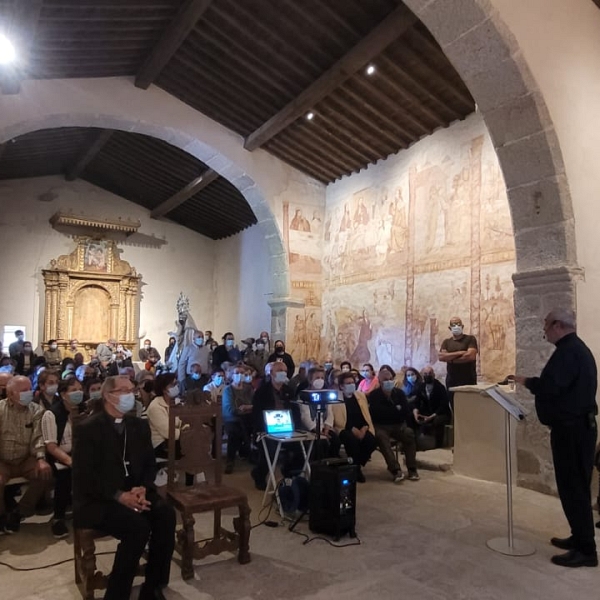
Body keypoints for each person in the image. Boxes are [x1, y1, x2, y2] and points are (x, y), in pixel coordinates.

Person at [72, 375, 176, 600]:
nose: (132, 394)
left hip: (136, 491)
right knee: (137, 527)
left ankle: (153, 586)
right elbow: (84, 476)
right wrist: (119, 496)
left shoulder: (138, 425)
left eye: (132, 389)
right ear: (109, 396)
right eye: (124, 390)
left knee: (166, 515)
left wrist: (142, 487)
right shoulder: (88, 428)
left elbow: (150, 463)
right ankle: (117, 594)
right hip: (100, 498)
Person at [516, 308, 598, 568]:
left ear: (559, 325)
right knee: (576, 487)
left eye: (546, 326)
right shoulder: (574, 350)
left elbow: (551, 387)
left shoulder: (569, 352)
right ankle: (579, 537)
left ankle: (586, 550)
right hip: (576, 428)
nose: (544, 331)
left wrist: (527, 381)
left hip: (573, 430)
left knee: (573, 488)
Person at [0, 375, 52, 533]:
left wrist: (41, 458)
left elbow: (38, 437)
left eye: (30, 389)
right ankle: (2, 516)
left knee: (45, 473)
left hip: (25, 458)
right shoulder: (1, 409)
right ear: (10, 394)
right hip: (3, 460)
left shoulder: (37, 410)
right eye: (24, 390)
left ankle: (20, 511)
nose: (29, 393)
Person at [42, 377, 84, 538]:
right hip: (58, 455)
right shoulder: (52, 414)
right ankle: (58, 518)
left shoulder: (83, 409)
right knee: (65, 474)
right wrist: (70, 461)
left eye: (80, 389)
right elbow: (51, 446)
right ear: (63, 394)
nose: (78, 393)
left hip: (79, 452)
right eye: (73, 390)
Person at [250, 361, 297, 490]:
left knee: (301, 446)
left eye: (285, 371)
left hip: (287, 427)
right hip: (266, 429)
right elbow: (256, 414)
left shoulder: (289, 391)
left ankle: (289, 473)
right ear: (271, 373)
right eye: (279, 370)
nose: (283, 373)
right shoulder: (262, 391)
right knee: (270, 449)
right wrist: (265, 429)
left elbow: (295, 410)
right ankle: (259, 474)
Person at [368, 366, 419, 483]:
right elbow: (376, 414)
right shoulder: (374, 395)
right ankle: (395, 469)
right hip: (381, 426)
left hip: (398, 425)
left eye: (390, 379)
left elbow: (405, 412)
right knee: (381, 437)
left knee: (409, 434)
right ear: (380, 382)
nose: (389, 382)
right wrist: (395, 410)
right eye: (385, 380)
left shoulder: (399, 394)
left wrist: (392, 412)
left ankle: (412, 468)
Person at [331, 372, 377, 483]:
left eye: (352, 382)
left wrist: (364, 428)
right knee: (352, 441)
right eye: (348, 383)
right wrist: (353, 429)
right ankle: (356, 469)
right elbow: (338, 420)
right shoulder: (336, 398)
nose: (351, 385)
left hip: (362, 426)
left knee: (371, 441)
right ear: (341, 385)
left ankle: (355, 464)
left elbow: (365, 414)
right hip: (344, 427)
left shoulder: (360, 396)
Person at [297, 366, 340, 459]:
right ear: (310, 380)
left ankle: (332, 464)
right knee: (320, 443)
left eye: (322, 378)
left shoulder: (326, 393)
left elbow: (330, 413)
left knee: (335, 440)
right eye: (317, 378)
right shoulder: (304, 395)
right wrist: (318, 430)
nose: (320, 380)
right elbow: (305, 417)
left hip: (325, 427)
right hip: (311, 429)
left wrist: (327, 427)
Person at [222, 364, 254, 474]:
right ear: (231, 375)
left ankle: (250, 453)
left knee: (256, 427)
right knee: (235, 432)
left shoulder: (249, 388)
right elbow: (230, 409)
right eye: (236, 373)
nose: (239, 375)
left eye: (242, 373)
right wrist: (245, 409)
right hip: (232, 418)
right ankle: (230, 460)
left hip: (248, 417)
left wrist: (247, 408)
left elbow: (254, 404)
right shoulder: (228, 390)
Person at [438, 317, 478, 403]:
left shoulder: (470, 339)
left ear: (462, 326)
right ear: (449, 328)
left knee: (469, 406)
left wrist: (450, 359)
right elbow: (441, 357)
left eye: (458, 324)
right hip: (452, 380)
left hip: (468, 379)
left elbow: (470, 356)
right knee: (454, 406)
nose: (456, 326)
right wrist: (460, 353)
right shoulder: (446, 342)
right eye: (453, 324)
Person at [413, 366, 451, 448]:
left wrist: (431, 417)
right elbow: (416, 402)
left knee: (437, 421)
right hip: (427, 413)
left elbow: (443, 405)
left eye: (430, 373)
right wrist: (416, 413)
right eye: (425, 374)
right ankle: (414, 444)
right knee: (411, 417)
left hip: (440, 413)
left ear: (433, 375)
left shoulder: (440, 387)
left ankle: (438, 445)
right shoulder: (421, 387)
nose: (428, 375)